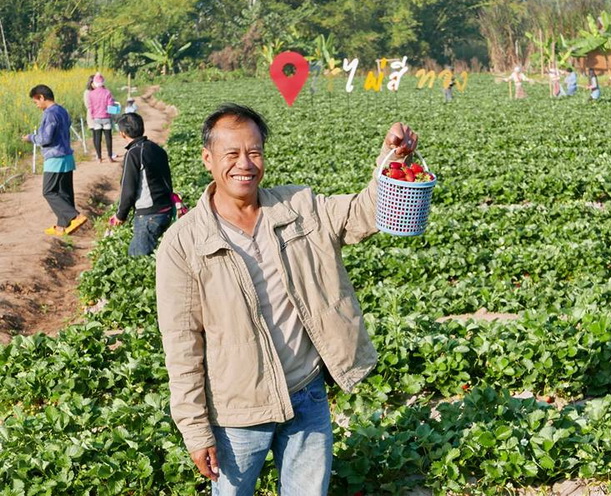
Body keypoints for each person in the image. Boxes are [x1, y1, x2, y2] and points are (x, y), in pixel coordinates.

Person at [155, 104, 417, 496]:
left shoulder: (298, 207)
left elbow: (361, 214)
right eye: (232, 154)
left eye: (254, 151)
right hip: (238, 409)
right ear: (207, 159)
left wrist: (390, 161)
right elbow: (181, 343)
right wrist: (195, 428)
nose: (245, 164)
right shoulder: (183, 243)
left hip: (306, 391)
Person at [21, 85, 87, 236]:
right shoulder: (62, 110)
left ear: (42, 97)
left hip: (55, 157)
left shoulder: (49, 113)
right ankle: (62, 226)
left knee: (49, 191)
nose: (36, 105)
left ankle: (75, 216)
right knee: (64, 192)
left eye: (36, 101)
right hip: (67, 156)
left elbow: (45, 138)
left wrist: (30, 137)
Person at [108, 113, 174, 256]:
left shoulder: (134, 153)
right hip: (166, 209)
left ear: (122, 133)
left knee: (137, 258)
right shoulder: (157, 149)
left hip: (149, 215)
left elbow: (128, 189)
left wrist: (120, 215)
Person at [87, 73, 117, 162]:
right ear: (103, 82)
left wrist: (93, 115)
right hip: (106, 117)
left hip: (96, 118)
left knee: (97, 138)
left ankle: (99, 157)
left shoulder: (91, 94)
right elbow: (110, 105)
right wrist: (112, 115)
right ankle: (110, 156)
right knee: (108, 137)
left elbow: (91, 106)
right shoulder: (107, 92)